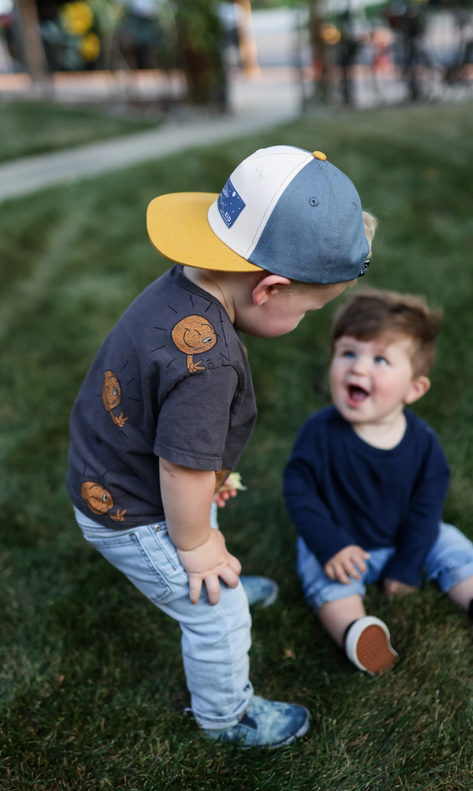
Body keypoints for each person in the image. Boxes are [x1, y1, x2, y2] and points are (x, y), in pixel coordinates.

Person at [66, 145, 375, 747]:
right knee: (217, 615)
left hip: (113, 461)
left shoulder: (186, 280)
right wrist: (198, 544)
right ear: (270, 289)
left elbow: (178, 437)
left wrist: (206, 492)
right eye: (308, 311)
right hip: (133, 506)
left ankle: (212, 560)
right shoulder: (207, 365)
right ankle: (225, 716)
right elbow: (181, 466)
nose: (304, 322)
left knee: (198, 512)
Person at [283, 288, 473, 675]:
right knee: (319, 567)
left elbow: (426, 510)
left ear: (414, 388)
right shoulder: (319, 432)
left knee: (450, 541)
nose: (358, 368)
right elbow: (299, 489)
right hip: (342, 544)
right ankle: (355, 629)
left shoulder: (424, 445)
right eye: (348, 353)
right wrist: (330, 544)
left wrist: (407, 566)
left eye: (379, 359)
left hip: (404, 539)